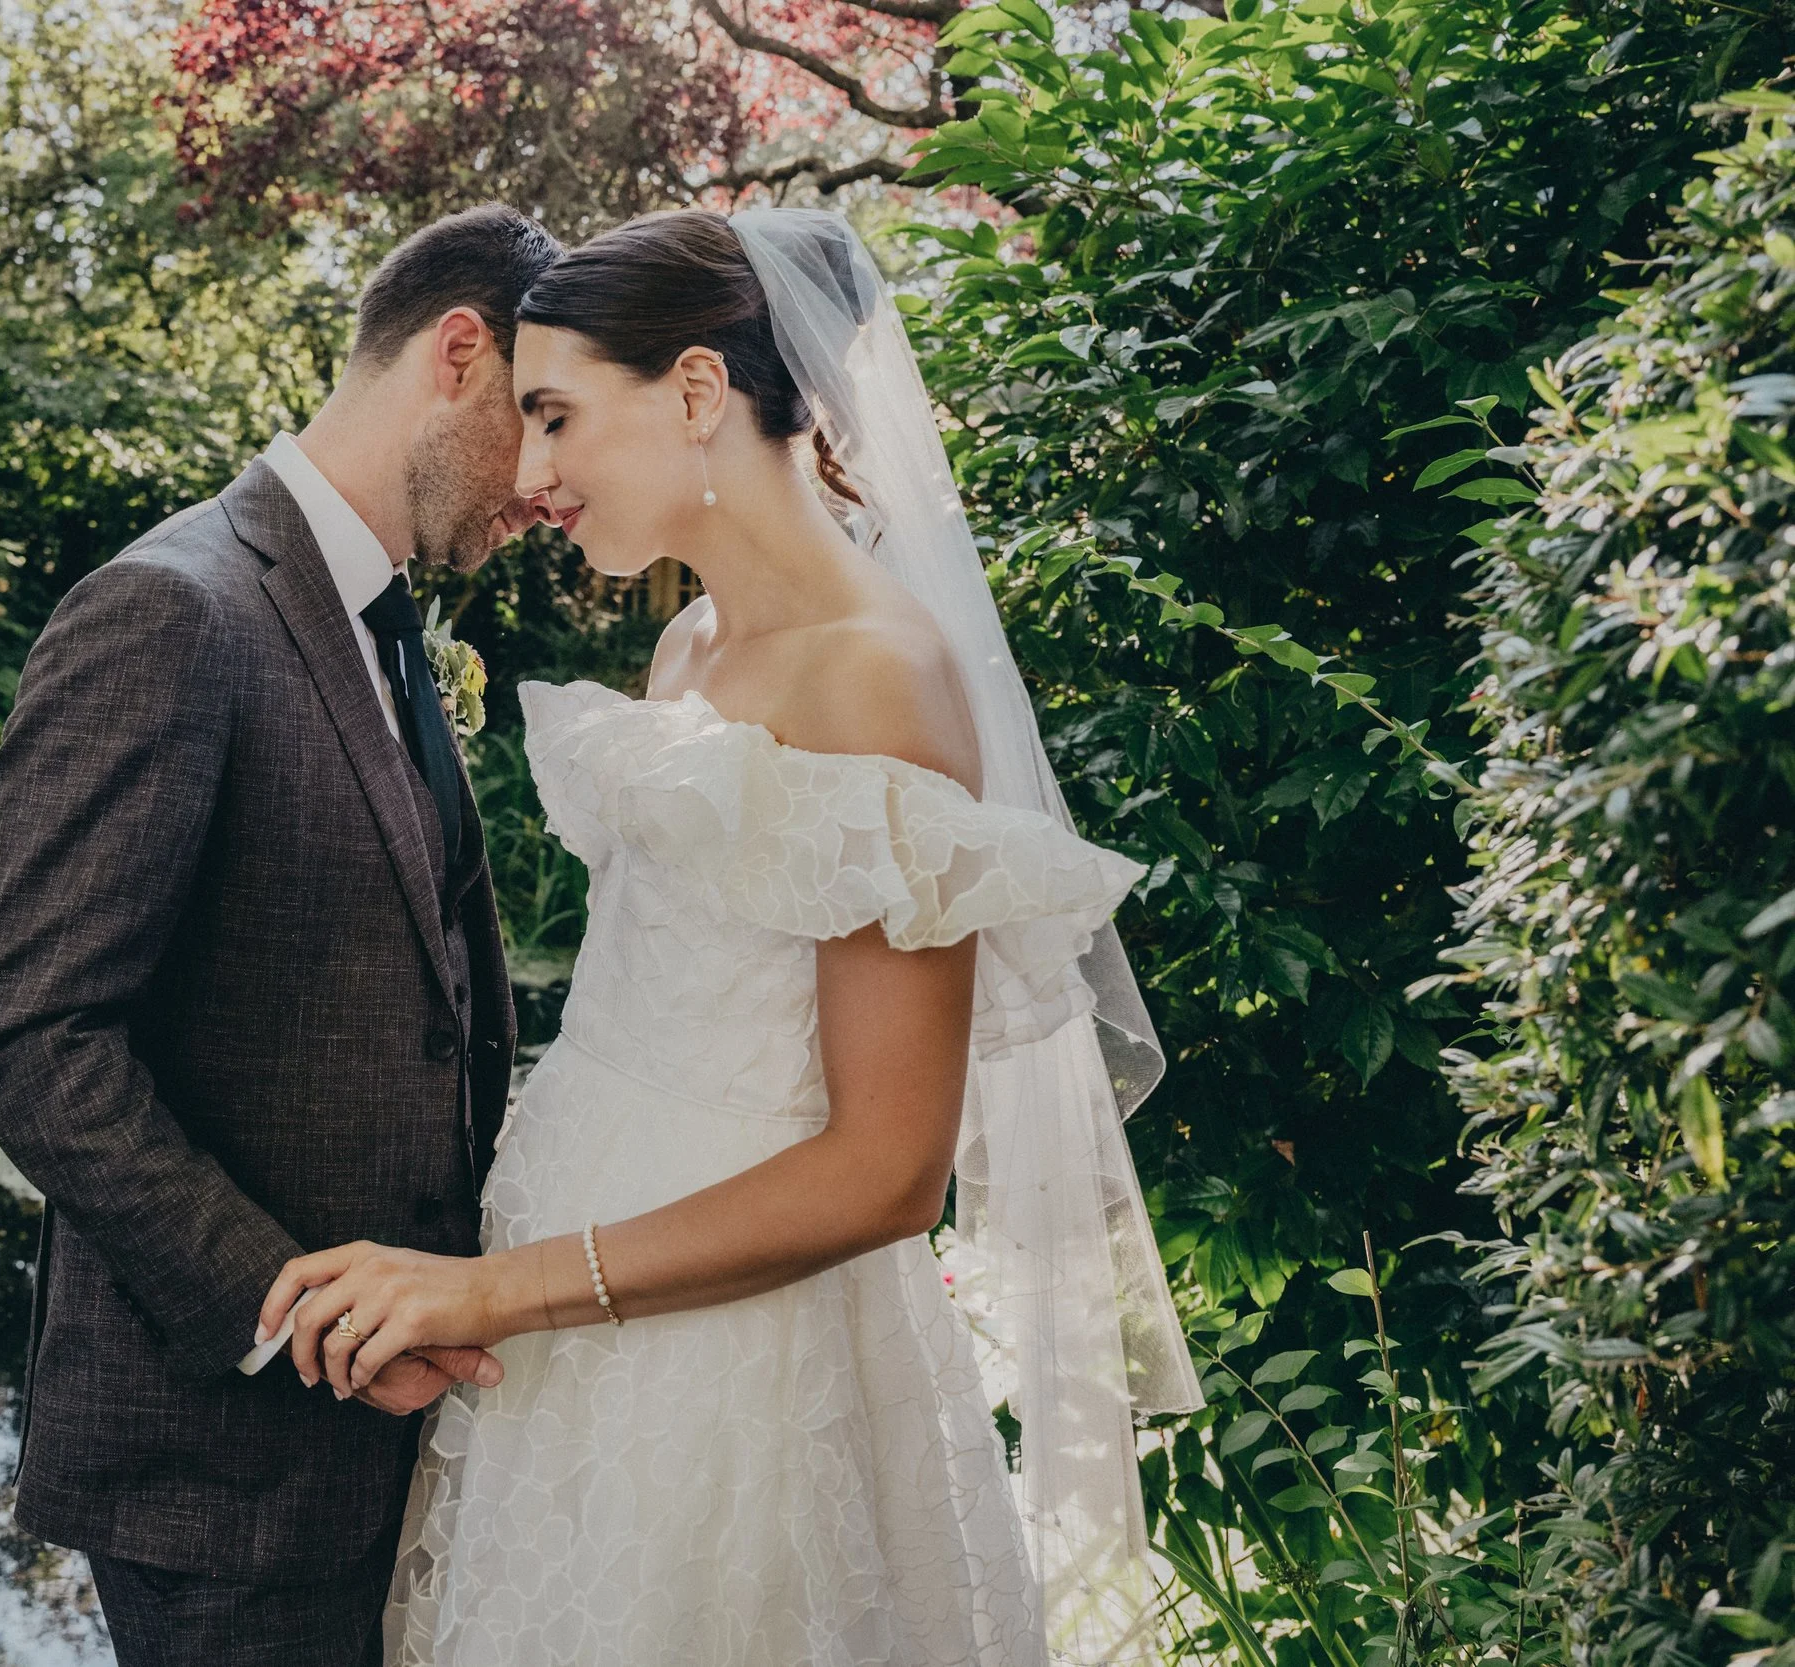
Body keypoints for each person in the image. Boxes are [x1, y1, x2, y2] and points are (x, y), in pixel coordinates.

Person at [254, 209, 1203, 1667]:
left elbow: (888, 1171)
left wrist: (493, 1286)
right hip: (564, 1336)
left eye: (560, 416)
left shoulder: (878, 677)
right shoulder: (690, 641)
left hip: (735, 1359)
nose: (533, 471)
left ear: (698, 393)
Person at [0, 204, 562, 1667]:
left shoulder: (382, 622)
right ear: (457, 355)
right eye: (535, 418)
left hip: (398, 1458)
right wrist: (304, 1324)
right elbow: (29, 1039)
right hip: (227, 1487)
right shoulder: (172, 609)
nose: (547, 481)